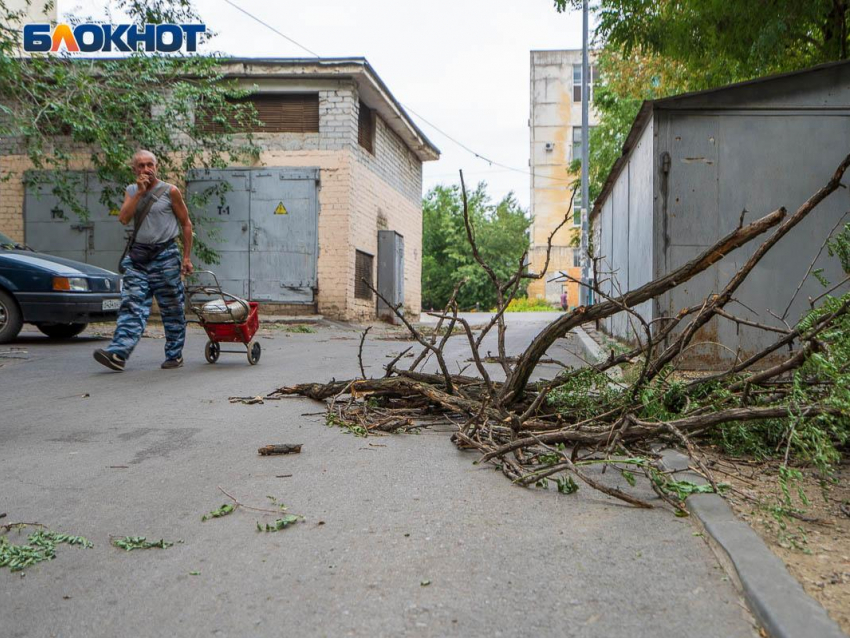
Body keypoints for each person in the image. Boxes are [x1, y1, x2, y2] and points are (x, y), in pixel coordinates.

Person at [94, 150, 194, 372]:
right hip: (139, 258)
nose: (146, 169)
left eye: (150, 164)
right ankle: (118, 354)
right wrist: (138, 193)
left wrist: (186, 257)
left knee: (172, 308)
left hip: (166, 256)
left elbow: (186, 223)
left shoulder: (171, 191)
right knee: (132, 305)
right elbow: (123, 218)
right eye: (141, 165)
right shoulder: (131, 191)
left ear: (156, 167)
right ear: (134, 169)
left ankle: (174, 355)